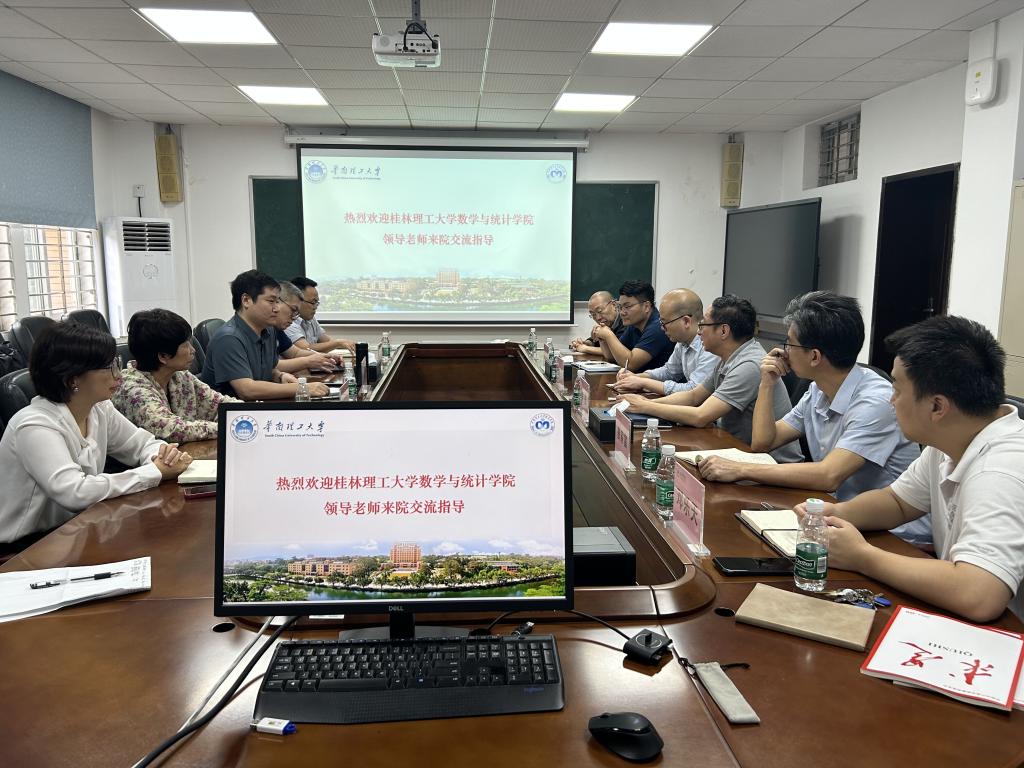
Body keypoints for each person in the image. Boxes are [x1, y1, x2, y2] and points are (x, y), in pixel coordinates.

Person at [801, 316, 1024, 621]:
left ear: (937, 407)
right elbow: (897, 502)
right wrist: (832, 514)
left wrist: (862, 557)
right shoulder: (951, 440)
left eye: (897, 389)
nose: (891, 401)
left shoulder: (1000, 469)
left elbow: (979, 594)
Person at [695, 291, 927, 544]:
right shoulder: (818, 389)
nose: (783, 352)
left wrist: (740, 469)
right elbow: (763, 442)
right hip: (838, 515)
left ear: (814, 356)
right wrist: (767, 384)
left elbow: (829, 475)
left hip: (897, 536)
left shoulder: (876, 401)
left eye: (789, 343)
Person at [0, 322, 192, 543]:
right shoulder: (34, 425)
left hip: (75, 529)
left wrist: (164, 455)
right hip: (25, 546)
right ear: (73, 378)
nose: (119, 375)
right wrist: (154, 472)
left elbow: (140, 443)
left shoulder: (99, 408)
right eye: (109, 367)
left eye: (117, 364)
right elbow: (75, 492)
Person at [621, 295, 803, 463]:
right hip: (737, 449)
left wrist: (645, 406)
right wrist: (644, 403)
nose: (699, 332)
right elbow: (693, 396)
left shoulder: (749, 364)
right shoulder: (728, 358)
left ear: (723, 331)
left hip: (771, 464)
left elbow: (701, 416)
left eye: (703, 325)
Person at [112, 309, 240, 442]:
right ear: (163, 356)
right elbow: (171, 430)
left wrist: (249, 413)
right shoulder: (132, 390)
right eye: (185, 345)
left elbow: (219, 404)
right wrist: (229, 427)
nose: (193, 350)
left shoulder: (180, 376)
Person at [200, 270, 329, 400]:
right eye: (271, 301)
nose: (277, 308)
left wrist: (280, 376)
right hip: (232, 410)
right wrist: (302, 388)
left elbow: (267, 369)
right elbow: (247, 390)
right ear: (246, 300)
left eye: (277, 302)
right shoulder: (229, 338)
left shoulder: (269, 331)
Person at [613, 289, 719, 396]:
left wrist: (643, 382)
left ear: (686, 321)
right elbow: (669, 372)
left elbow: (694, 390)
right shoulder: (682, 341)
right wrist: (636, 377)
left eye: (665, 323)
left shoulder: (710, 346)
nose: (662, 328)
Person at [592, 280, 673, 373]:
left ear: (646, 306)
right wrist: (602, 339)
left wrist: (609, 335)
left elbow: (630, 365)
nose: (622, 312)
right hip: (639, 379)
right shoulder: (634, 324)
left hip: (657, 381)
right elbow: (612, 357)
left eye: (627, 307)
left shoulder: (658, 327)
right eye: (620, 307)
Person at [275, 282, 337, 375]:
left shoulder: (274, 330)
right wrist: (308, 361)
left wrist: (326, 357)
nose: (294, 317)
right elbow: (270, 366)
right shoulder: (258, 330)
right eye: (293, 309)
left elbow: (295, 353)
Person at [288, 276, 356, 355]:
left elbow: (327, 341)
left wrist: (347, 344)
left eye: (317, 302)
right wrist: (338, 343)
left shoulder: (310, 318)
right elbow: (305, 348)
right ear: (297, 300)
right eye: (313, 302)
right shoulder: (288, 322)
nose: (315, 307)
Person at [570, 291, 625, 356]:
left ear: (614, 305)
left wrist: (585, 348)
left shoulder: (626, 322)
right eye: (593, 314)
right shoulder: (608, 324)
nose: (598, 318)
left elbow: (617, 351)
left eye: (600, 311)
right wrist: (588, 343)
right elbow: (597, 340)